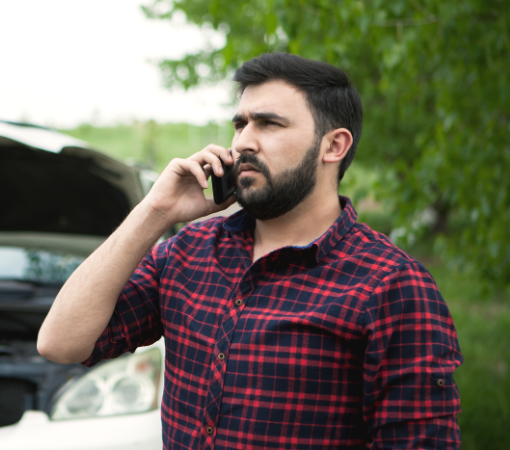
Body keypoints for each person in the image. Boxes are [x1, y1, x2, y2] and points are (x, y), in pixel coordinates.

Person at [37, 52, 462, 449]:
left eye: (269, 124)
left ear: (333, 146)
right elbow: (62, 343)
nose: (243, 143)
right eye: (240, 124)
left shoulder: (392, 287)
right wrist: (156, 210)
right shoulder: (189, 252)